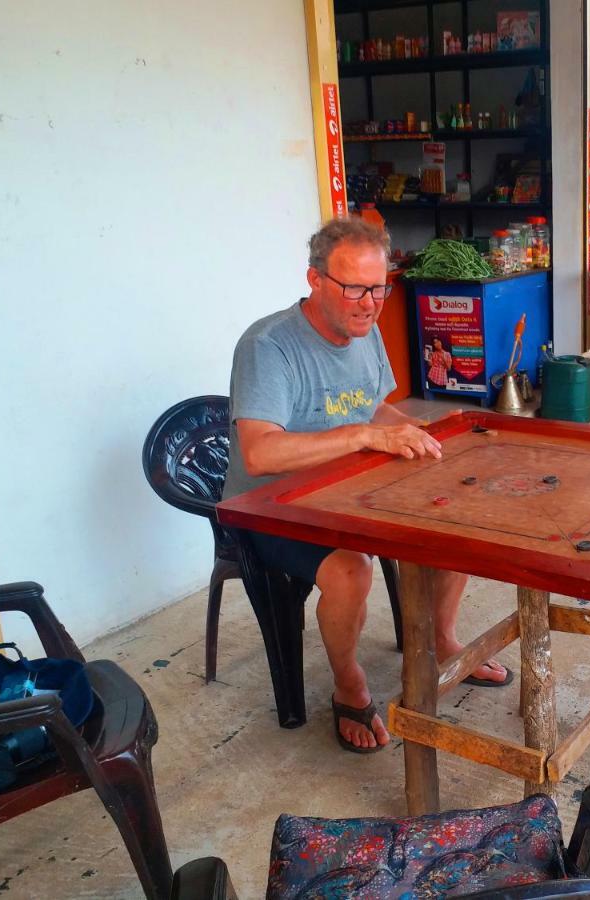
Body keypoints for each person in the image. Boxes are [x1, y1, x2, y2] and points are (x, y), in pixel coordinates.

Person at [223, 218, 512, 754]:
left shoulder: (365, 328)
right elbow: (260, 453)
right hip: (272, 506)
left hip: (346, 486)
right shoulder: (269, 346)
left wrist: (402, 429)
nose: (369, 302)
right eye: (353, 287)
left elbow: (370, 405)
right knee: (351, 571)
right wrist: (365, 435)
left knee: (464, 510)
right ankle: (348, 682)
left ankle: (443, 639)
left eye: (379, 287)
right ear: (314, 279)